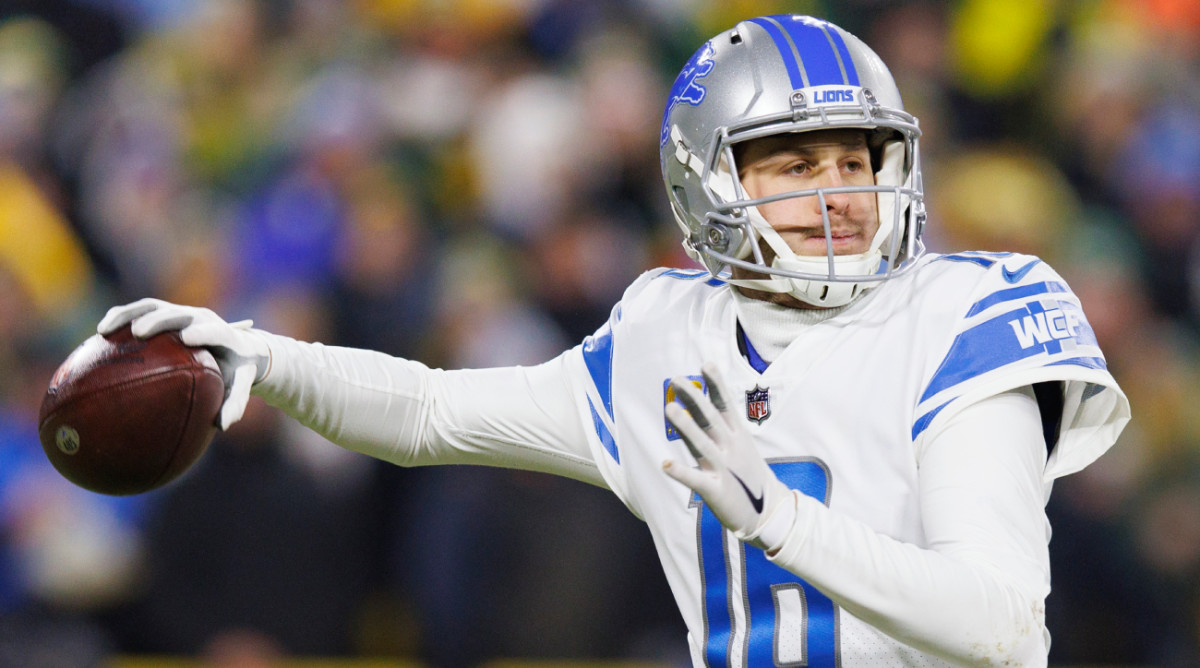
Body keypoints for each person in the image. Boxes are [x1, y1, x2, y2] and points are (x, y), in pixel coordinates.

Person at [96, 14, 1130, 667]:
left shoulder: (968, 310)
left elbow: (1001, 626)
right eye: (792, 163)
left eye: (857, 157)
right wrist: (263, 354)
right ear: (706, 182)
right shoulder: (663, 333)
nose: (839, 192)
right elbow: (426, 411)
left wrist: (775, 517)